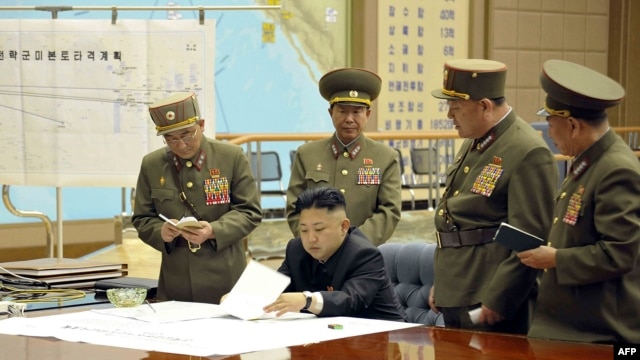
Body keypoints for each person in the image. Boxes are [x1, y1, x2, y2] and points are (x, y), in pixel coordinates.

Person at [427, 59, 558, 334]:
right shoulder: (478, 139)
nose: (450, 115)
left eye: (456, 107)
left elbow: (529, 238)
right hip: (458, 288)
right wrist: (444, 281)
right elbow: (459, 222)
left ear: (484, 106)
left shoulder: (526, 150)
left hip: (487, 298)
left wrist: (499, 299)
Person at [518, 60, 640, 343]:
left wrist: (556, 258)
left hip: (601, 333)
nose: (549, 133)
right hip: (570, 324)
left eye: (550, 122)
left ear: (572, 125)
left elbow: (620, 252)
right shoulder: (589, 161)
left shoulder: (615, 169)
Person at [132, 92, 262, 304]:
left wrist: (213, 231)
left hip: (225, 276)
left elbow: (250, 212)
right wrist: (160, 232)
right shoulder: (152, 164)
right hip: (176, 281)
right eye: (171, 138)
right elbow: (142, 218)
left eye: (187, 135)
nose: (181, 145)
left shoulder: (231, 157)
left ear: (201, 125)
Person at [286, 68, 402, 246]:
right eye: (342, 111)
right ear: (331, 113)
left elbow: (390, 211)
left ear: (367, 114)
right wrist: (314, 240)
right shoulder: (307, 154)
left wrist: (353, 244)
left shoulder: (385, 158)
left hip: (363, 255)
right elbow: (294, 208)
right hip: (315, 254)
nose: (349, 119)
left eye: (357, 112)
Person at [264, 187, 406, 322]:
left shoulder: (365, 255)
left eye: (319, 229)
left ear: (344, 226)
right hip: (327, 334)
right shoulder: (296, 249)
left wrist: (306, 300)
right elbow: (272, 290)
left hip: (386, 336)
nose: (311, 239)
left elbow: (349, 301)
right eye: (304, 230)